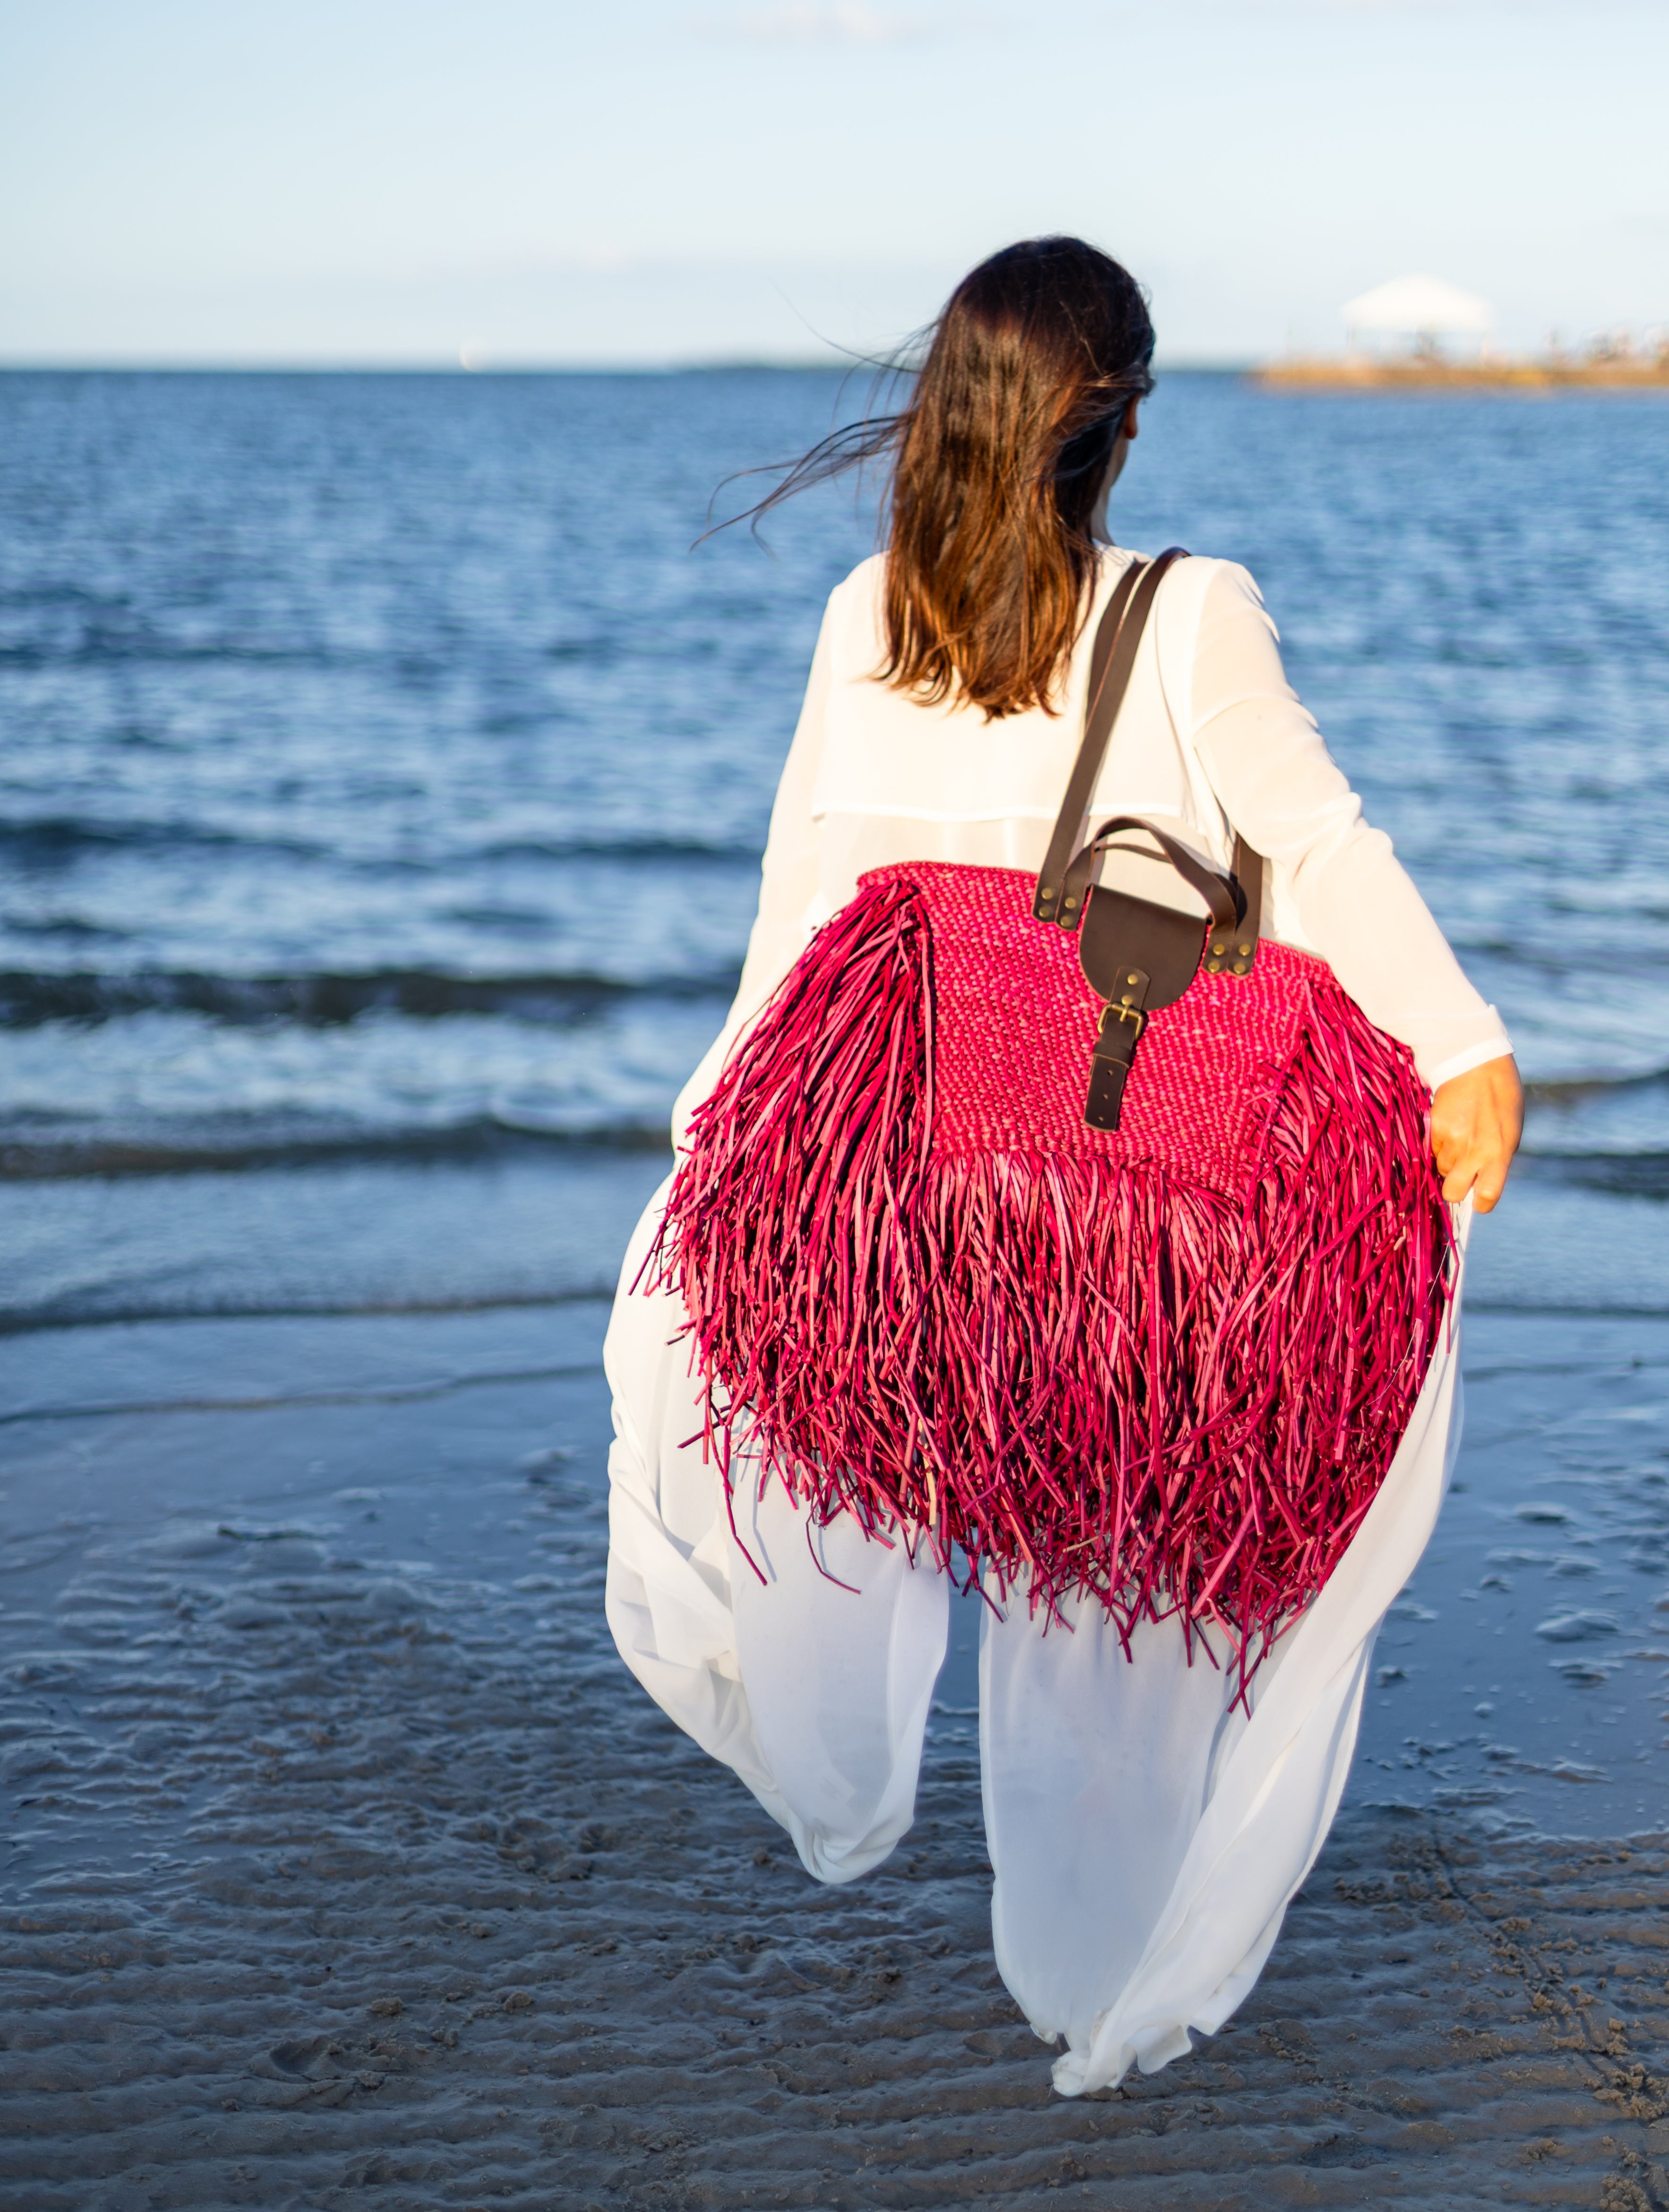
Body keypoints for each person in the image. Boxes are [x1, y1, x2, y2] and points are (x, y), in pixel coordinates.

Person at [603, 237, 1522, 2094]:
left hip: (911, 1208)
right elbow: (1315, 847)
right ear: (1115, 423)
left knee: (919, 1502)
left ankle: (850, 1793)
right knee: (1114, 1580)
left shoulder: (870, 613)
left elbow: (798, 918)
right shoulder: (1186, 614)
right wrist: (1461, 1042)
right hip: (1122, 1202)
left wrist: (704, 1154)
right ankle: (1097, 1974)